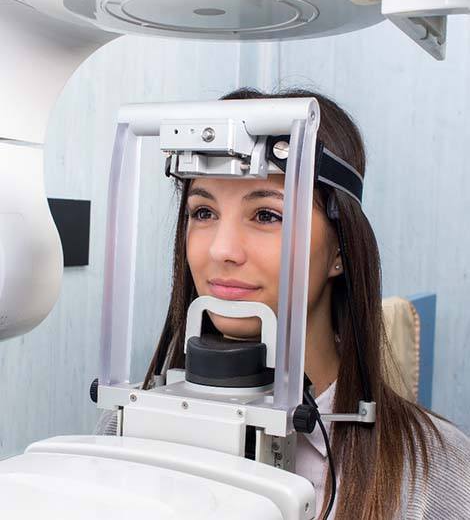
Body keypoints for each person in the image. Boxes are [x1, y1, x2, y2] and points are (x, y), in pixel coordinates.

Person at [102, 88, 470, 519]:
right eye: (203, 212)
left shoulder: (435, 471)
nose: (221, 250)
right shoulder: (126, 429)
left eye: (266, 216)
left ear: (339, 250)